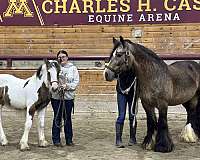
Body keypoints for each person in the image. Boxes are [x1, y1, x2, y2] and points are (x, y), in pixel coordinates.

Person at [51, 49, 79, 147]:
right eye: (59, 57)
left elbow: (75, 82)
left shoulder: (73, 68)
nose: (61, 58)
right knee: (57, 117)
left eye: (63, 57)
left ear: (67, 57)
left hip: (68, 98)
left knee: (67, 118)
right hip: (56, 98)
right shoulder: (54, 68)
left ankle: (69, 139)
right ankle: (56, 140)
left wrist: (67, 86)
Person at [115, 69, 138, 148]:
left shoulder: (134, 65)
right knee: (121, 116)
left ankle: (132, 138)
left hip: (132, 93)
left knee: (132, 116)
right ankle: (118, 139)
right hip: (121, 92)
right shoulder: (120, 64)